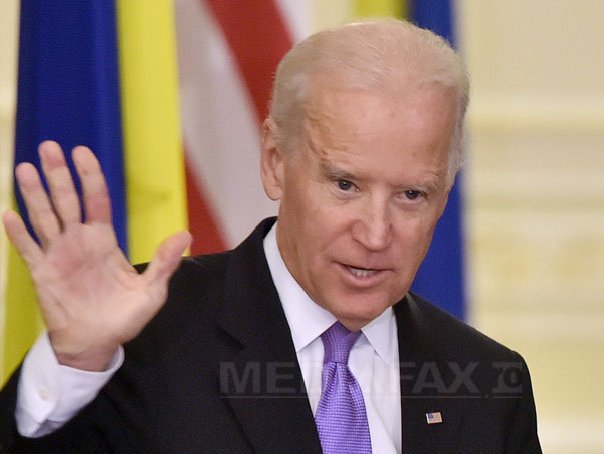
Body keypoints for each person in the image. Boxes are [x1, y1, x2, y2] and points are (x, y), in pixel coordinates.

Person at [0, 19, 541, 453]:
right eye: (345, 184)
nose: (377, 234)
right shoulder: (140, 341)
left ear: (446, 193)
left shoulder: (488, 383)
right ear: (276, 162)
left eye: (412, 195)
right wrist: (74, 365)